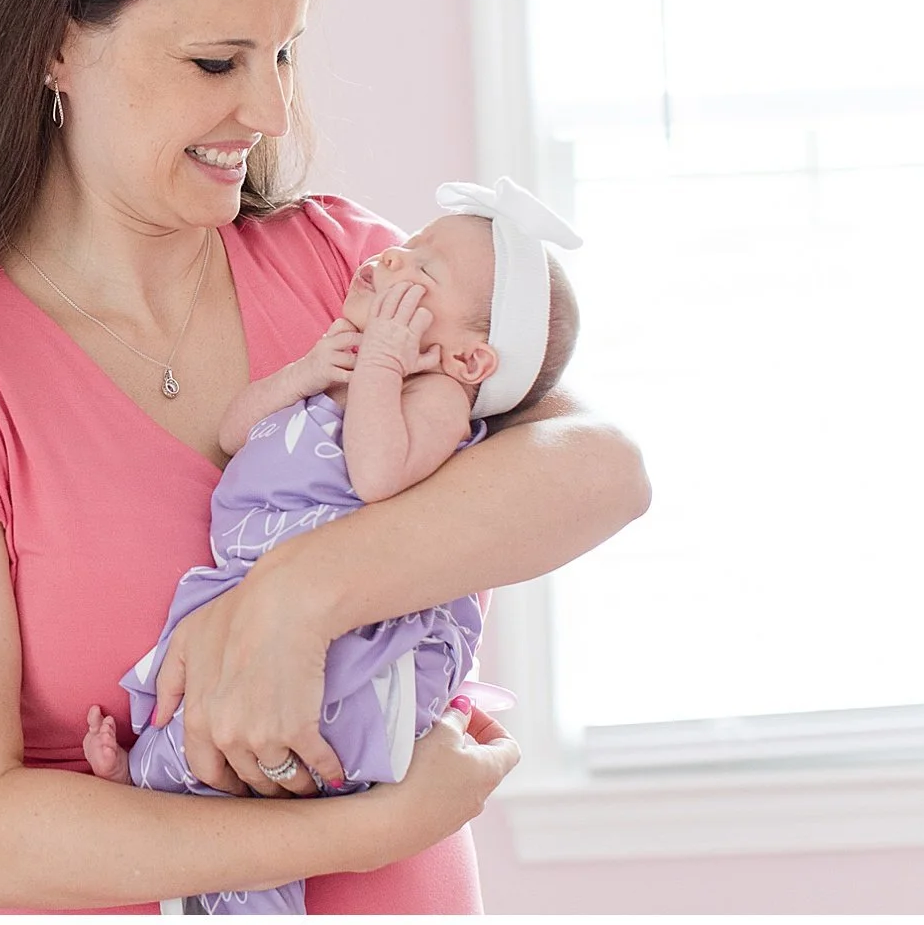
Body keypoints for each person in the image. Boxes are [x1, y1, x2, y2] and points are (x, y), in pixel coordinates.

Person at [0, 0, 649, 914]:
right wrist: (374, 826)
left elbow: (601, 469)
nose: (267, 107)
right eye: (215, 60)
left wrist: (295, 597)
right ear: (52, 44)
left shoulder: (349, 272)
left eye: (285, 52)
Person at [82, 179, 583, 913]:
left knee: (284, 729)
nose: (389, 262)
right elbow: (233, 433)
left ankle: (213, 830)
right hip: (246, 581)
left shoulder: (435, 400)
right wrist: (310, 371)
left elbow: (377, 476)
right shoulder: (348, 367)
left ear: (470, 360)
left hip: (351, 642)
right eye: (405, 247)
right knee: (199, 694)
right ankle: (156, 779)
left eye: (424, 274)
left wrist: (379, 364)